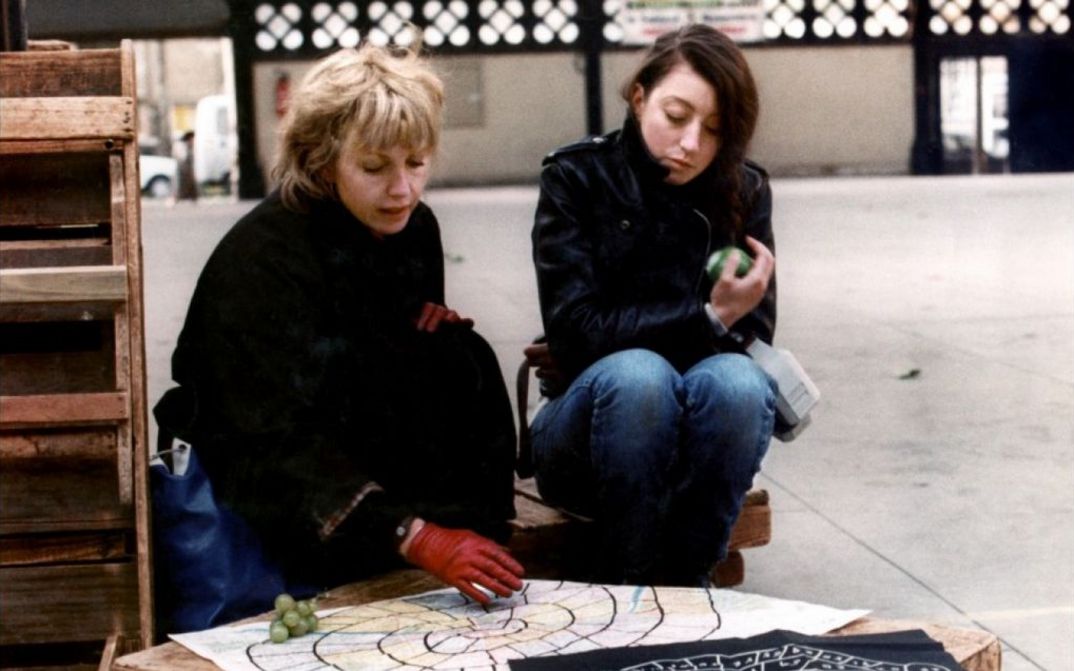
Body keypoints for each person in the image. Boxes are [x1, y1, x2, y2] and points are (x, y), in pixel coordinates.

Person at [154, 42, 524, 612]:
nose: (402, 189)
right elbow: (270, 438)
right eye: (375, 167)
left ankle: (479, 544)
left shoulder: (411, 226)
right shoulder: (264, 259)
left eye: (417, 162)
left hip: (355, 437)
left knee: (461, 350)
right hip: (260, 466)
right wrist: (415, 535)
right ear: (323, 161)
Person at [528, 24, 778, 586]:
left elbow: (753, 337)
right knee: (639, 376)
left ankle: (687, 587)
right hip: (585, 437)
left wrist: (721, 326)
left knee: (737, 384)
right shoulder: (576, 178)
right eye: (675, 115)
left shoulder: (745, 190)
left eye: (713, 129)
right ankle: (629, 584)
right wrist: (707, 319)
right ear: (639, 96)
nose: (691, 143)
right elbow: (575, 335)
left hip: (695, 435)